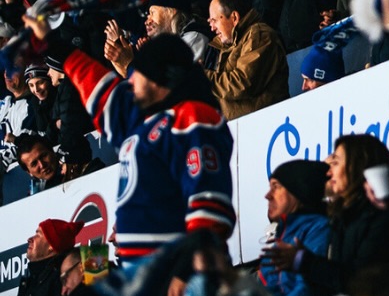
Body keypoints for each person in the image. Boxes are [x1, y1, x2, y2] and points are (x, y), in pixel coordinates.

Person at [26, 27, 235, 265]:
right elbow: (101, 90)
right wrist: (56, 47)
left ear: (158, 77)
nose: (131, 80)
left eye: (138, 73)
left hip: (176, 264)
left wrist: (193, 265)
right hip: (141, 268)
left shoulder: (193, 117)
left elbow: (207, 197)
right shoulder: (141, 123)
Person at [266, 134, 389, 296]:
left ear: (356, 166)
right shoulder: (341, 219)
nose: (329, 172)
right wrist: (303, 264)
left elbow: (363, 281)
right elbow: (330, 289)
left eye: (336, 163)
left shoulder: (381, 217)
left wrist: (305, 262)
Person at [259, 159, 332, 296]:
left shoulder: (319, 228)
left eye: (276, 187)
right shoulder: (282, 232)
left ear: (298, 191)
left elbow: (307, 292)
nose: (268, 196)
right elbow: (269, 290)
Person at [205, 0, 289, 120]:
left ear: (234, 17)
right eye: (210, 21)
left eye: (214, 20)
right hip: (240, 126)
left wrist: (204, 77)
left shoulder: (260, 35)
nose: (212, 28)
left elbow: (242, 83)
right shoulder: (224, 43)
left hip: (266, 123)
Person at [18, 221, 79, 296]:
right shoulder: (29, 280)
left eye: (38, 234)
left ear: (51, 245)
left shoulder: (61, 278)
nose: (29, 239)